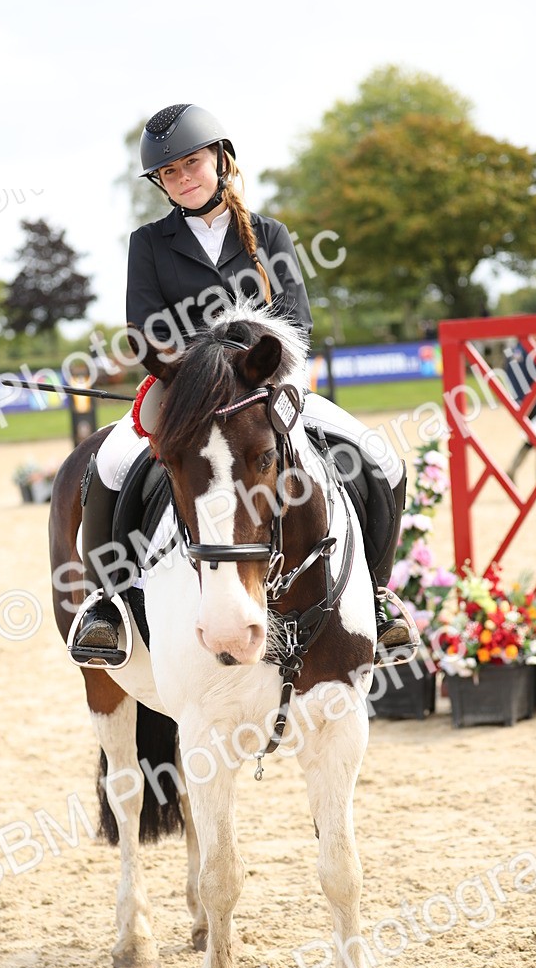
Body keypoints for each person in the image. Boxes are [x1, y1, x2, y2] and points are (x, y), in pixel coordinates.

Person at [69, 103, 414, 667]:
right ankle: (106, 605)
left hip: (265, 388)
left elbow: (296, 323)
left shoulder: (271, 235)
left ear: (221, 160)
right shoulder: (149, 243)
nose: (183, 180)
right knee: (108, 464)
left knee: (384, 461)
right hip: (183, 388)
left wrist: (250, 371)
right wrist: (195, 374)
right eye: (170, 174)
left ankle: (376, 596)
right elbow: (143, 325)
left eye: (192, 164)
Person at [504, 338, 536, 483]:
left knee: (534, 438)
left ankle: (514, 469)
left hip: (520, 402)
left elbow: (508, 378)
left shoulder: (512, 352)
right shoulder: (533, 351)